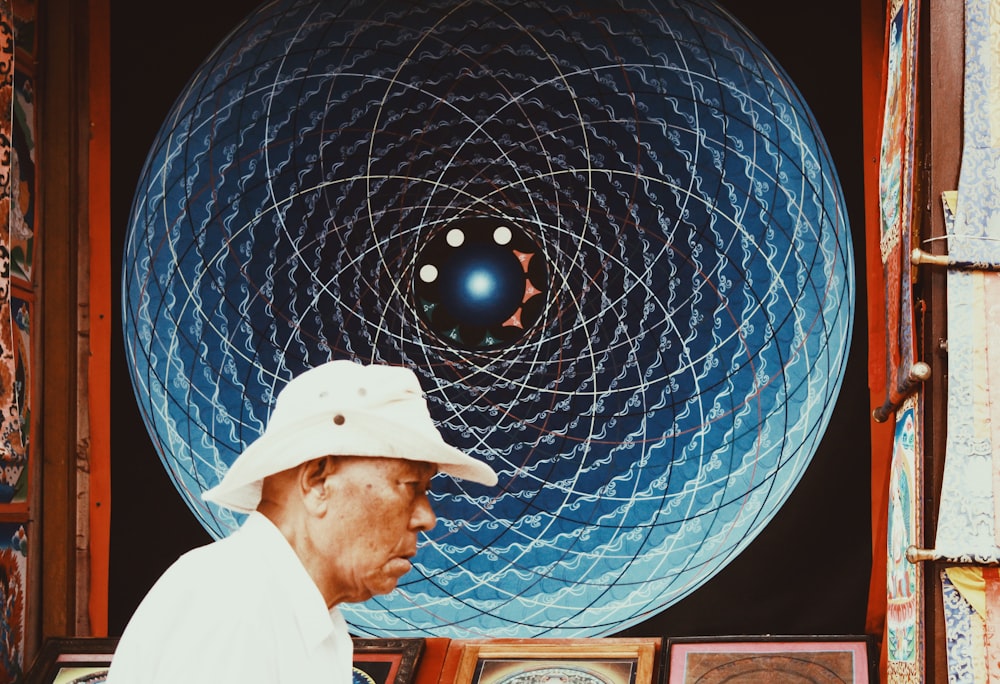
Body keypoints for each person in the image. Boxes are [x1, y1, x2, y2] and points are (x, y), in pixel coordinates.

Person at [107, 360, 497, 684]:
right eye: (411, 485)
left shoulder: (303, 616)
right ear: (317, 481)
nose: (426, 518)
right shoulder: (232, 603)